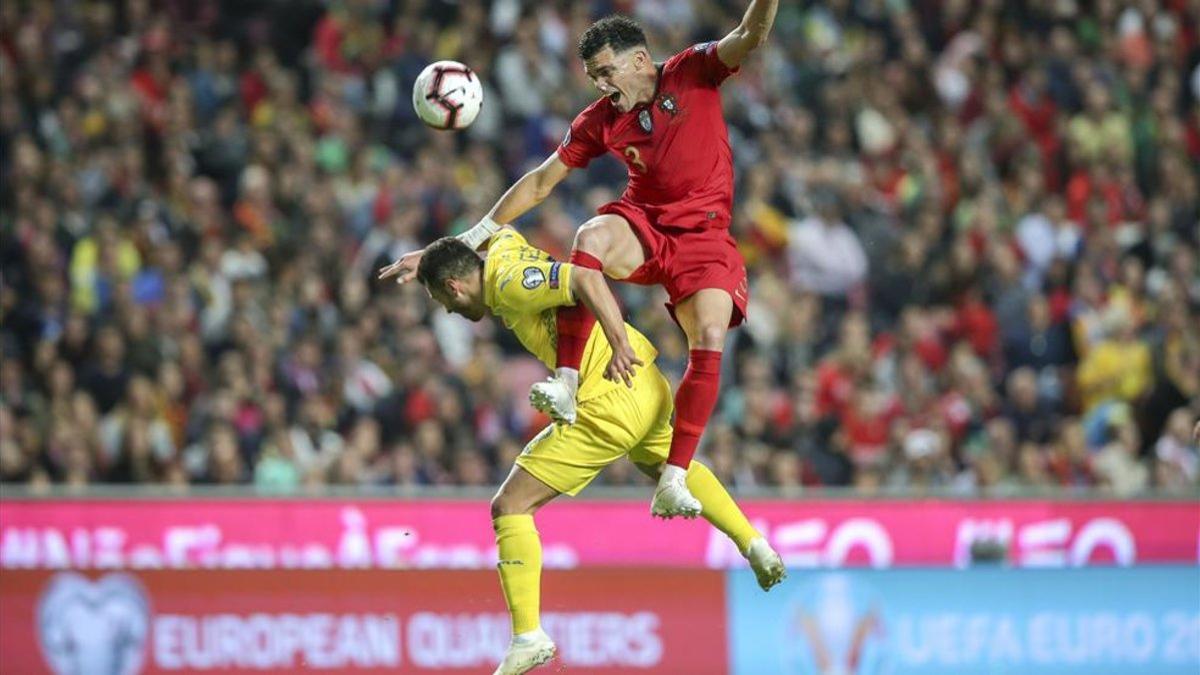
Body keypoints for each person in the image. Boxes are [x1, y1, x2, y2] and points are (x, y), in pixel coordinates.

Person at [381, 1, 780, 517]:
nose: (600, 85)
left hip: (705, 239)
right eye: (593, 77)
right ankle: (566, 383)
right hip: (645, 225)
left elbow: (751, 32)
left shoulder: (693, 71)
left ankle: (674, 477)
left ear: (640, 60)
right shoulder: (600, 119)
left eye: (606, 72)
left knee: (707, 338)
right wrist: (462, 243)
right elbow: (543, 181)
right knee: (590, 236)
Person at [400, 228, 786, 675]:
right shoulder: (500, 248)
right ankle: (753, 543)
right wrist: (428, 254)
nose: (448, 311)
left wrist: (591, 358)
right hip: (643, 381)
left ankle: (528, 636)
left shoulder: (506, 283)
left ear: (454, 285)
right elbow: (497, 229)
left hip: (607, 397)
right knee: (665, 466)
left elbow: (583, 283)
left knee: (510, 506)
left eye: (442, 301)